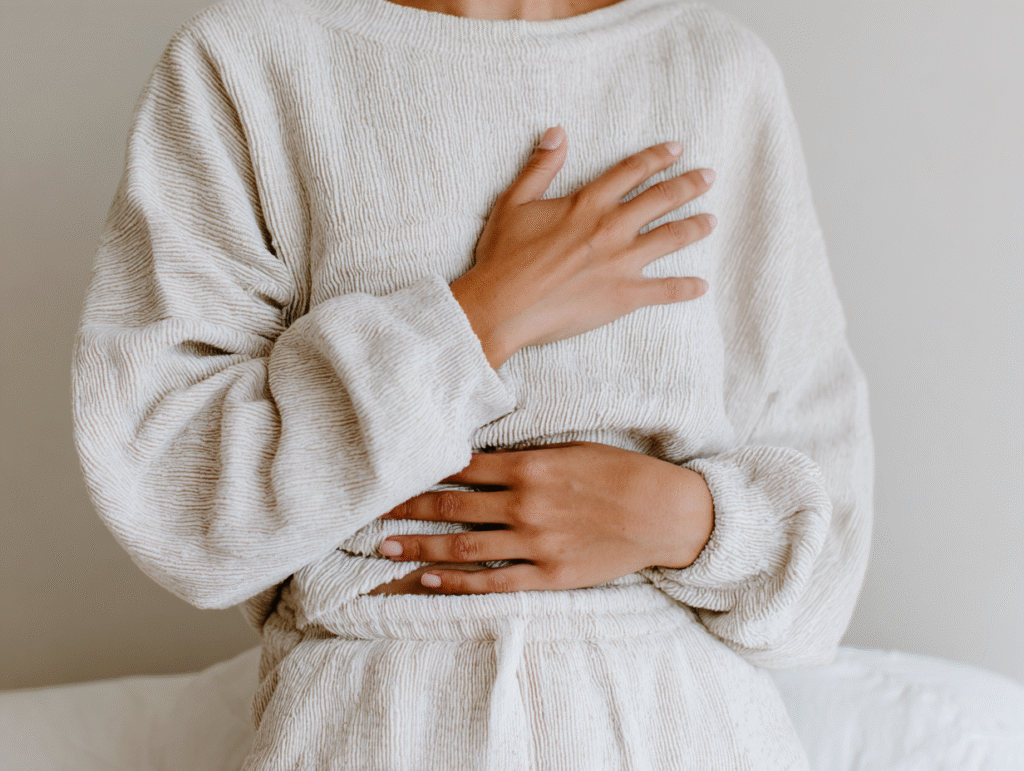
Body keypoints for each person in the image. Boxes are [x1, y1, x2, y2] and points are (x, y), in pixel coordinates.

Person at [72, 0, 874, 767]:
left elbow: (830, 563)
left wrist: (675, 517)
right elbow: (177, 506)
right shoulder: (248, 63)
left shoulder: (716, 69)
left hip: (689, 727)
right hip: (372, 722)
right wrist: (485, 312)